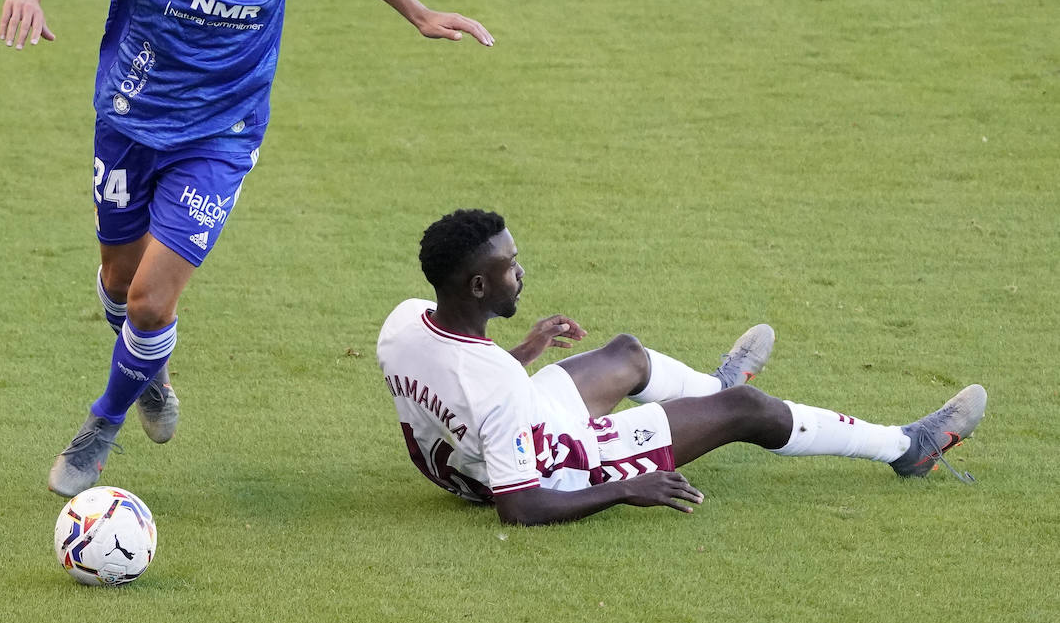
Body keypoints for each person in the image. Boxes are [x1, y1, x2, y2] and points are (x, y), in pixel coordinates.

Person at [0, 0, 494, 498]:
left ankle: (101, 425)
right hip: (129, 124)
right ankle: (150, 371)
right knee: (119, 282)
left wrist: (418, 13)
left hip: (221, 139)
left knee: (147, 302)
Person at [377, 209, 987, 526]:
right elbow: (522, 507)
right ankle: (907, 447)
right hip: (552, 468)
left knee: (626, 354)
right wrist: (626, 490)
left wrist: (527, 352)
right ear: (480, 284)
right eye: (512, 265)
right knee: (746, 411)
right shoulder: (497, 382)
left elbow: (467, 386)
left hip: (491, 441)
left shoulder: (405, 322)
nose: (522, 271)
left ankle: (709, 390)